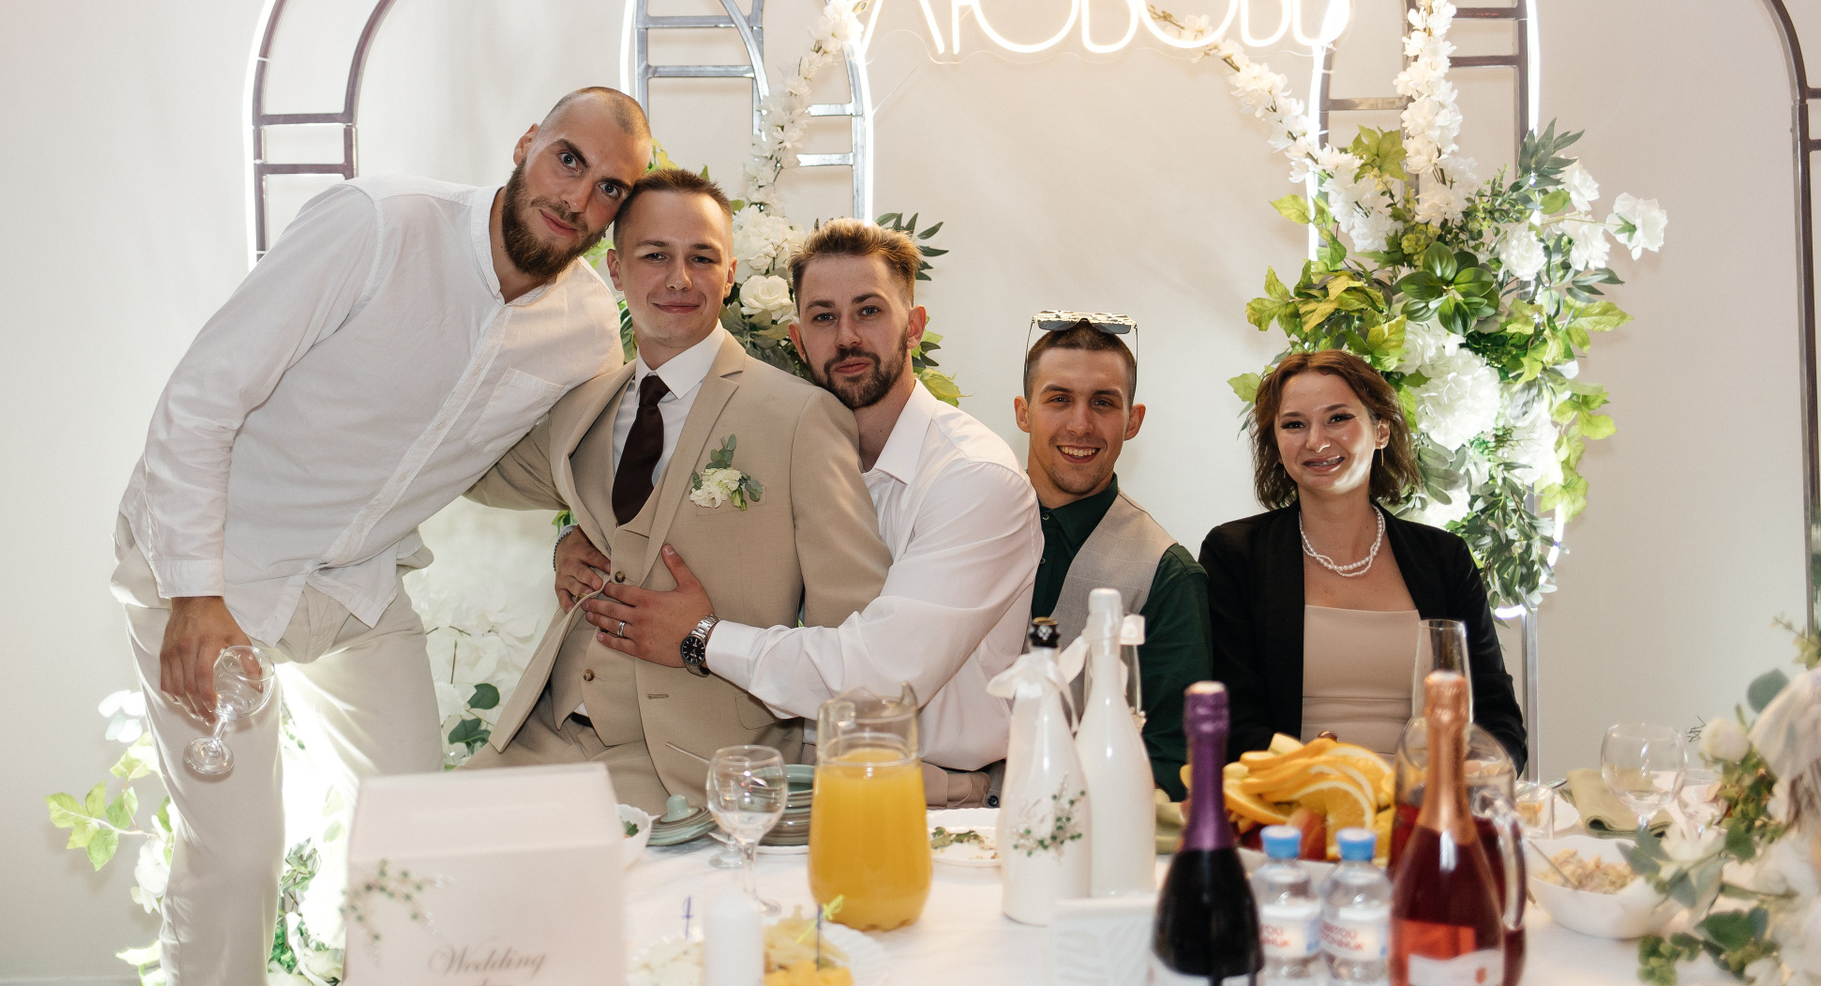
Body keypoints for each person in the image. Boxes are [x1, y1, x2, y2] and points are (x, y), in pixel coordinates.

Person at [109, 88, 653, 986]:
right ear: (526, 142)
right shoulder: (377, 224)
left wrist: (571, 533)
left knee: (420, 844)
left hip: (359, 589)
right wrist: (194, 595)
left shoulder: (588, 326)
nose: (577, 197)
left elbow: (572, 455)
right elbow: (203, 395)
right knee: (237, 860)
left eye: (609, 189)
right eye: (569, 159)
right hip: (218, 565)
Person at [562, 219, 1040, 805]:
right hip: (794, 776)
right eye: (823, 317)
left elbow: (880, 678)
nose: (846, 337)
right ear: (797, 338)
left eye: (869, 311)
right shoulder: (788, 449)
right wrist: (579, 542)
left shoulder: (974, 478)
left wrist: (702, 638)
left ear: (913, 326)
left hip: (933, 798)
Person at [462, 174, 891, 810]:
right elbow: (468, 469)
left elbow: (855, 629)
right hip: (542, 736)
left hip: (689, 766)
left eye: (702, 258)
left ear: (731, 273)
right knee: (418, 848)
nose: (679, 279)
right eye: (655, 255)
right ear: (615, 269)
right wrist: (564, 544)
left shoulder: (802, 417)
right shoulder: (583, 405)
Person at [1200, 349, 1527, 767]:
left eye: (1338, 418)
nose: (1316, 441)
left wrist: (1473, 776)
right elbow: (1235, 725)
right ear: (1276, 445)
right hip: (1297, 794)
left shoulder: (1445, 558)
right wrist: (1337, 782)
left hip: (1426, 796)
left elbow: (1498, 719)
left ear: (1381, 430)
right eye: (1294, 424)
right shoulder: (1235, 553)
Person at [1013, 313, 1213, 798]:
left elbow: (1173, 763)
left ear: (1133, 421)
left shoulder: (1168, 575)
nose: (1080, 424)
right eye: (1059, 399)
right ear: (1023, 412)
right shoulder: (958, 522)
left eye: (1103, 403)